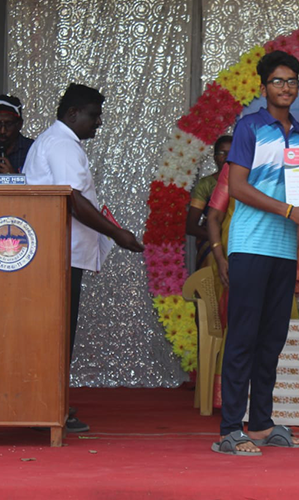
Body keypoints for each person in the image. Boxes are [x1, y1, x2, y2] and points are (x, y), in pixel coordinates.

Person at [211, 50, 299, 456]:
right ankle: (230, 429)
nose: (286, 87)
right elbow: (238, 187)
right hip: (250, 246)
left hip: (284, 251)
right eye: (278, 81)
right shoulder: (249, 127)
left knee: (272, 340)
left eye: (292, 81)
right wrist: (290, 211)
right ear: (263, 88)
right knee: (243, 337)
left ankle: (260, 424)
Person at [23, 83, 144, 432]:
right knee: (58, 334)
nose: (99, 122)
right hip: (59, 255)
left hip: (56, 254)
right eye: (94, 115)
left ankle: (49, 403)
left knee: (56, 333)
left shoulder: (55, 141)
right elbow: (73, 199)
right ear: (73, 113)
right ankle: (49, 408)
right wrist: (116, 233)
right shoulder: (62, 144)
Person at [186, 135, 232, 270]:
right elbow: (191, 226)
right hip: (211, 244)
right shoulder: (206, 184)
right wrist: (218, 239)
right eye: (222, 153)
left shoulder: (245, 182)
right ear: (215, 157)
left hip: (238, 242)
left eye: (231, 152)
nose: (227, 157)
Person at [0, 95, 34, 174]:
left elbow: (40, 180)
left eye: (8, 124)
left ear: (19, 124)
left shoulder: (32, 149)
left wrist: (13, 176)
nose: (2, 131)